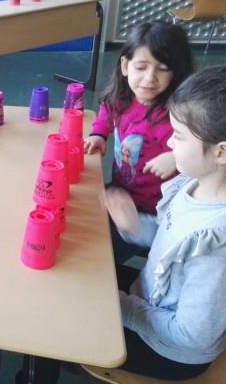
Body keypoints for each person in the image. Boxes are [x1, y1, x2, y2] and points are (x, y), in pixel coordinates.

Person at [103, 65, 226, 379]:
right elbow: (174, 241)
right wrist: (136, 225)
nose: (170, 144)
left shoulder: (217, 246)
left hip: (169, 349)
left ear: (221, 152)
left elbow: (192, 336)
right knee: (74, 282)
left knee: (61, 328)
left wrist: (123, 308)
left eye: (179, 137)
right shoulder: (195, 181)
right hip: (146, 297)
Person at [84, 21, 194, 262]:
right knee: (81, 217)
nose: (149, 78)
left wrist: (176, 157)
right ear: (125, 65)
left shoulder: (178, 115)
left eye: (162, 69)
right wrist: (99, 134)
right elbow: (106, 111)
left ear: (175, 72)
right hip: (121, 190)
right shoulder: (121, 96)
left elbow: (206, 154)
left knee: (101, 258)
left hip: (151, 212)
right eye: (141, 67)